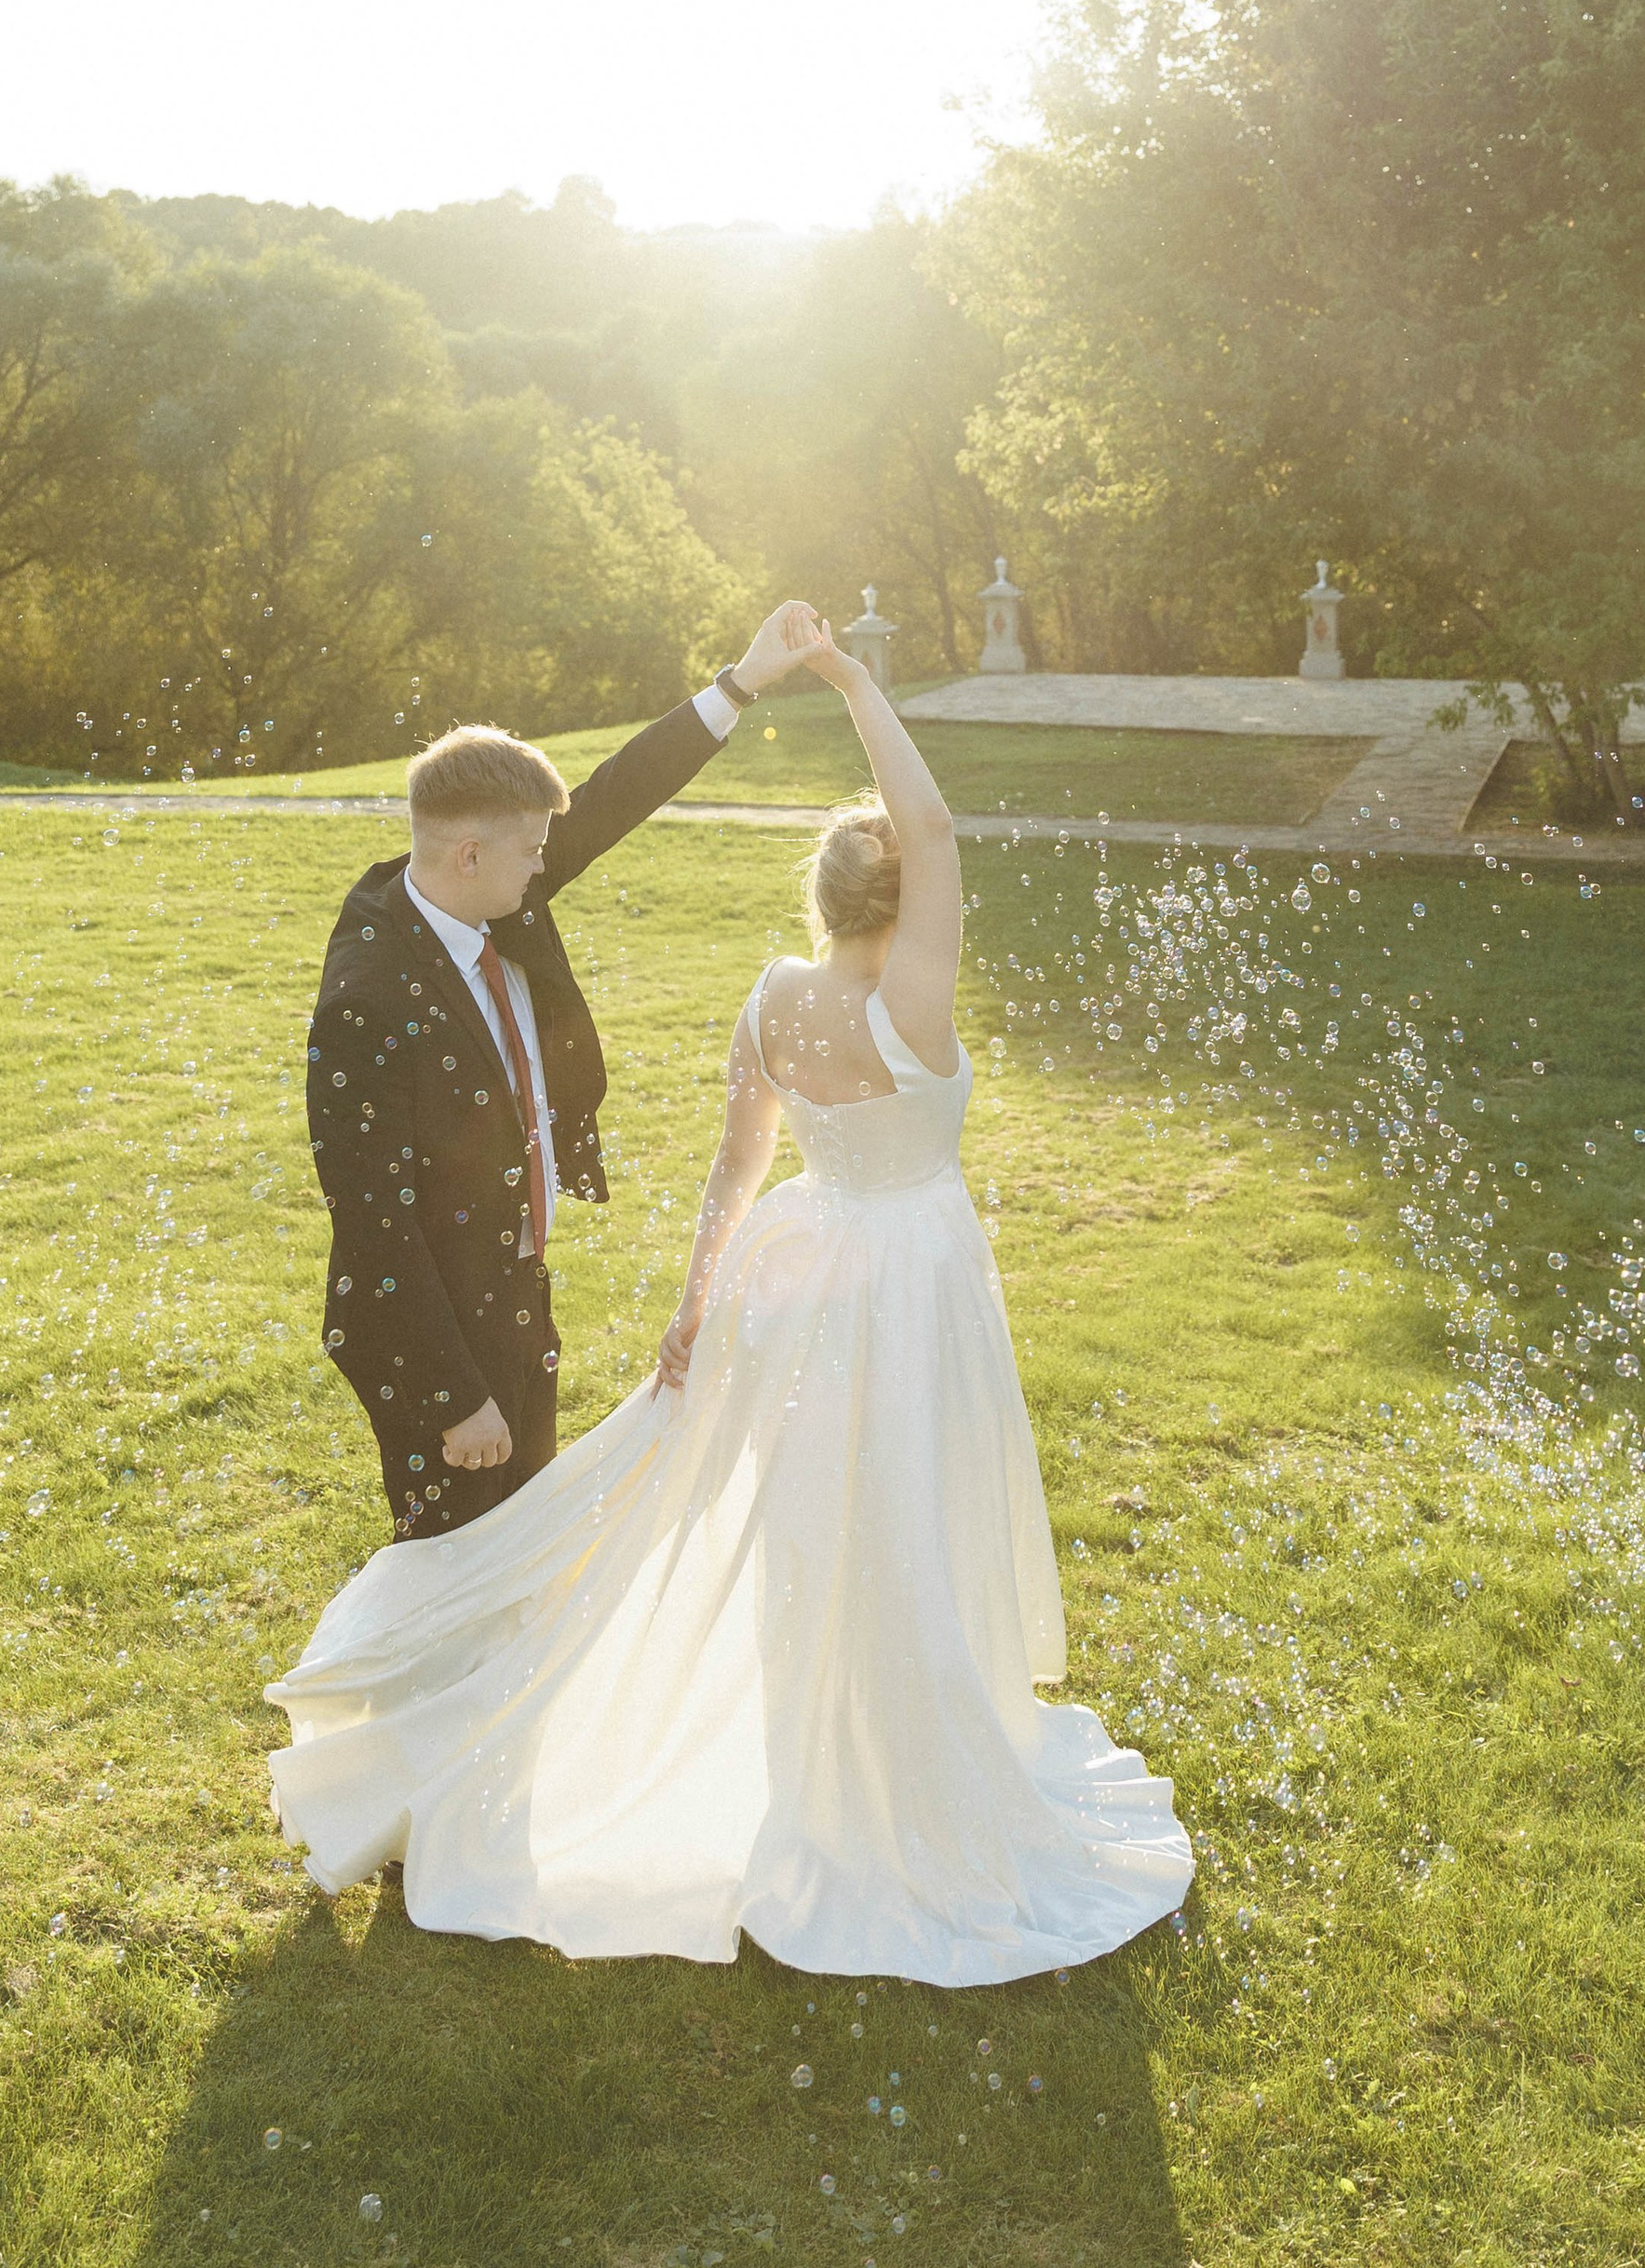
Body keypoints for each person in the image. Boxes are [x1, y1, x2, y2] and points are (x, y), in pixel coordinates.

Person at [269, 608, 1194, 1986]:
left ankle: (703, 1751)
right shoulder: (909, 1004)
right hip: (862, 1289)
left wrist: (697, 1305)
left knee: (794, 1522)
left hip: (784, 1279)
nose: (540, 867)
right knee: (877, 1514)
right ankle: (469, 1776)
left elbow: (732, 1165)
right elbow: (934, 829)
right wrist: (852, 678)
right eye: (523, 851)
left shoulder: (765, 997)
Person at [306, 602, 823, 1543]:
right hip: (432, 1329)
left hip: (510, 1286)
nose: (545, 868)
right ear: (469, 854)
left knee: (519, 1554)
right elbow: (375, 1224)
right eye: (532, 852)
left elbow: (616, 794)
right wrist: (454, 1396)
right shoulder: (367, 998)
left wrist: (741, 683)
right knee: (452, 1568)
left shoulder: (485, 895)